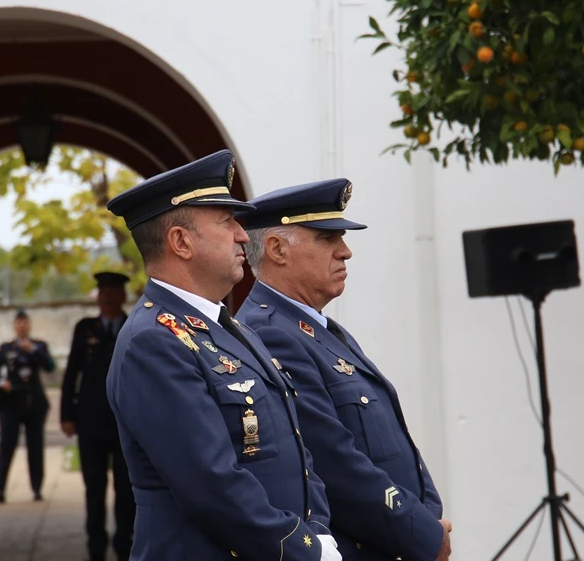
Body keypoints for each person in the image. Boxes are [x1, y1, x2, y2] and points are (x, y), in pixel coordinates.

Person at [103, 149, 342, 561]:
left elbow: (295, 447)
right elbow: (211, 483)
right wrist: (302, 547)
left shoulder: (229, 326)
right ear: (180, 242)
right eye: (226, 221)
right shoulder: (154, 341)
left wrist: (318, 531)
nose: (241, 235)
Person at [235, 179, 453, 561]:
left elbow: (391, 441)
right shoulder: (270, 333)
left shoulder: (314, 326)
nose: (346, 252)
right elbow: (334, 462)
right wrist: (420, 533)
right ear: (277, 249)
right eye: (327, 239)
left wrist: (427, 516)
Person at [60, 270, 137, 560]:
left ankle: (124, 543)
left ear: (122, 296)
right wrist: (66, 414)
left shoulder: (134, 324)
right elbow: (71, 374)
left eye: (112, 292)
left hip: (125, 423)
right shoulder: (85, 329)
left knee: (126, 489)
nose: (107, 297)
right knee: (94, 489)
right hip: (90, 421)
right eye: (102, 292)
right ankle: (95, 546)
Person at [0, 308, 56, 503]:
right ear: (14, 326)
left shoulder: (38, 346)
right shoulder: (6, 348)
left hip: (34, 403)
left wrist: (33, 350)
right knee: (7, 445)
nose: (21, 326)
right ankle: (0, 488)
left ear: (29, 324)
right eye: (18, 323)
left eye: (24, 322)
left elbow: (50, 366)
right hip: (11, 403)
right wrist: (1, 382)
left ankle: (36, 488)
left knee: (35, 446)